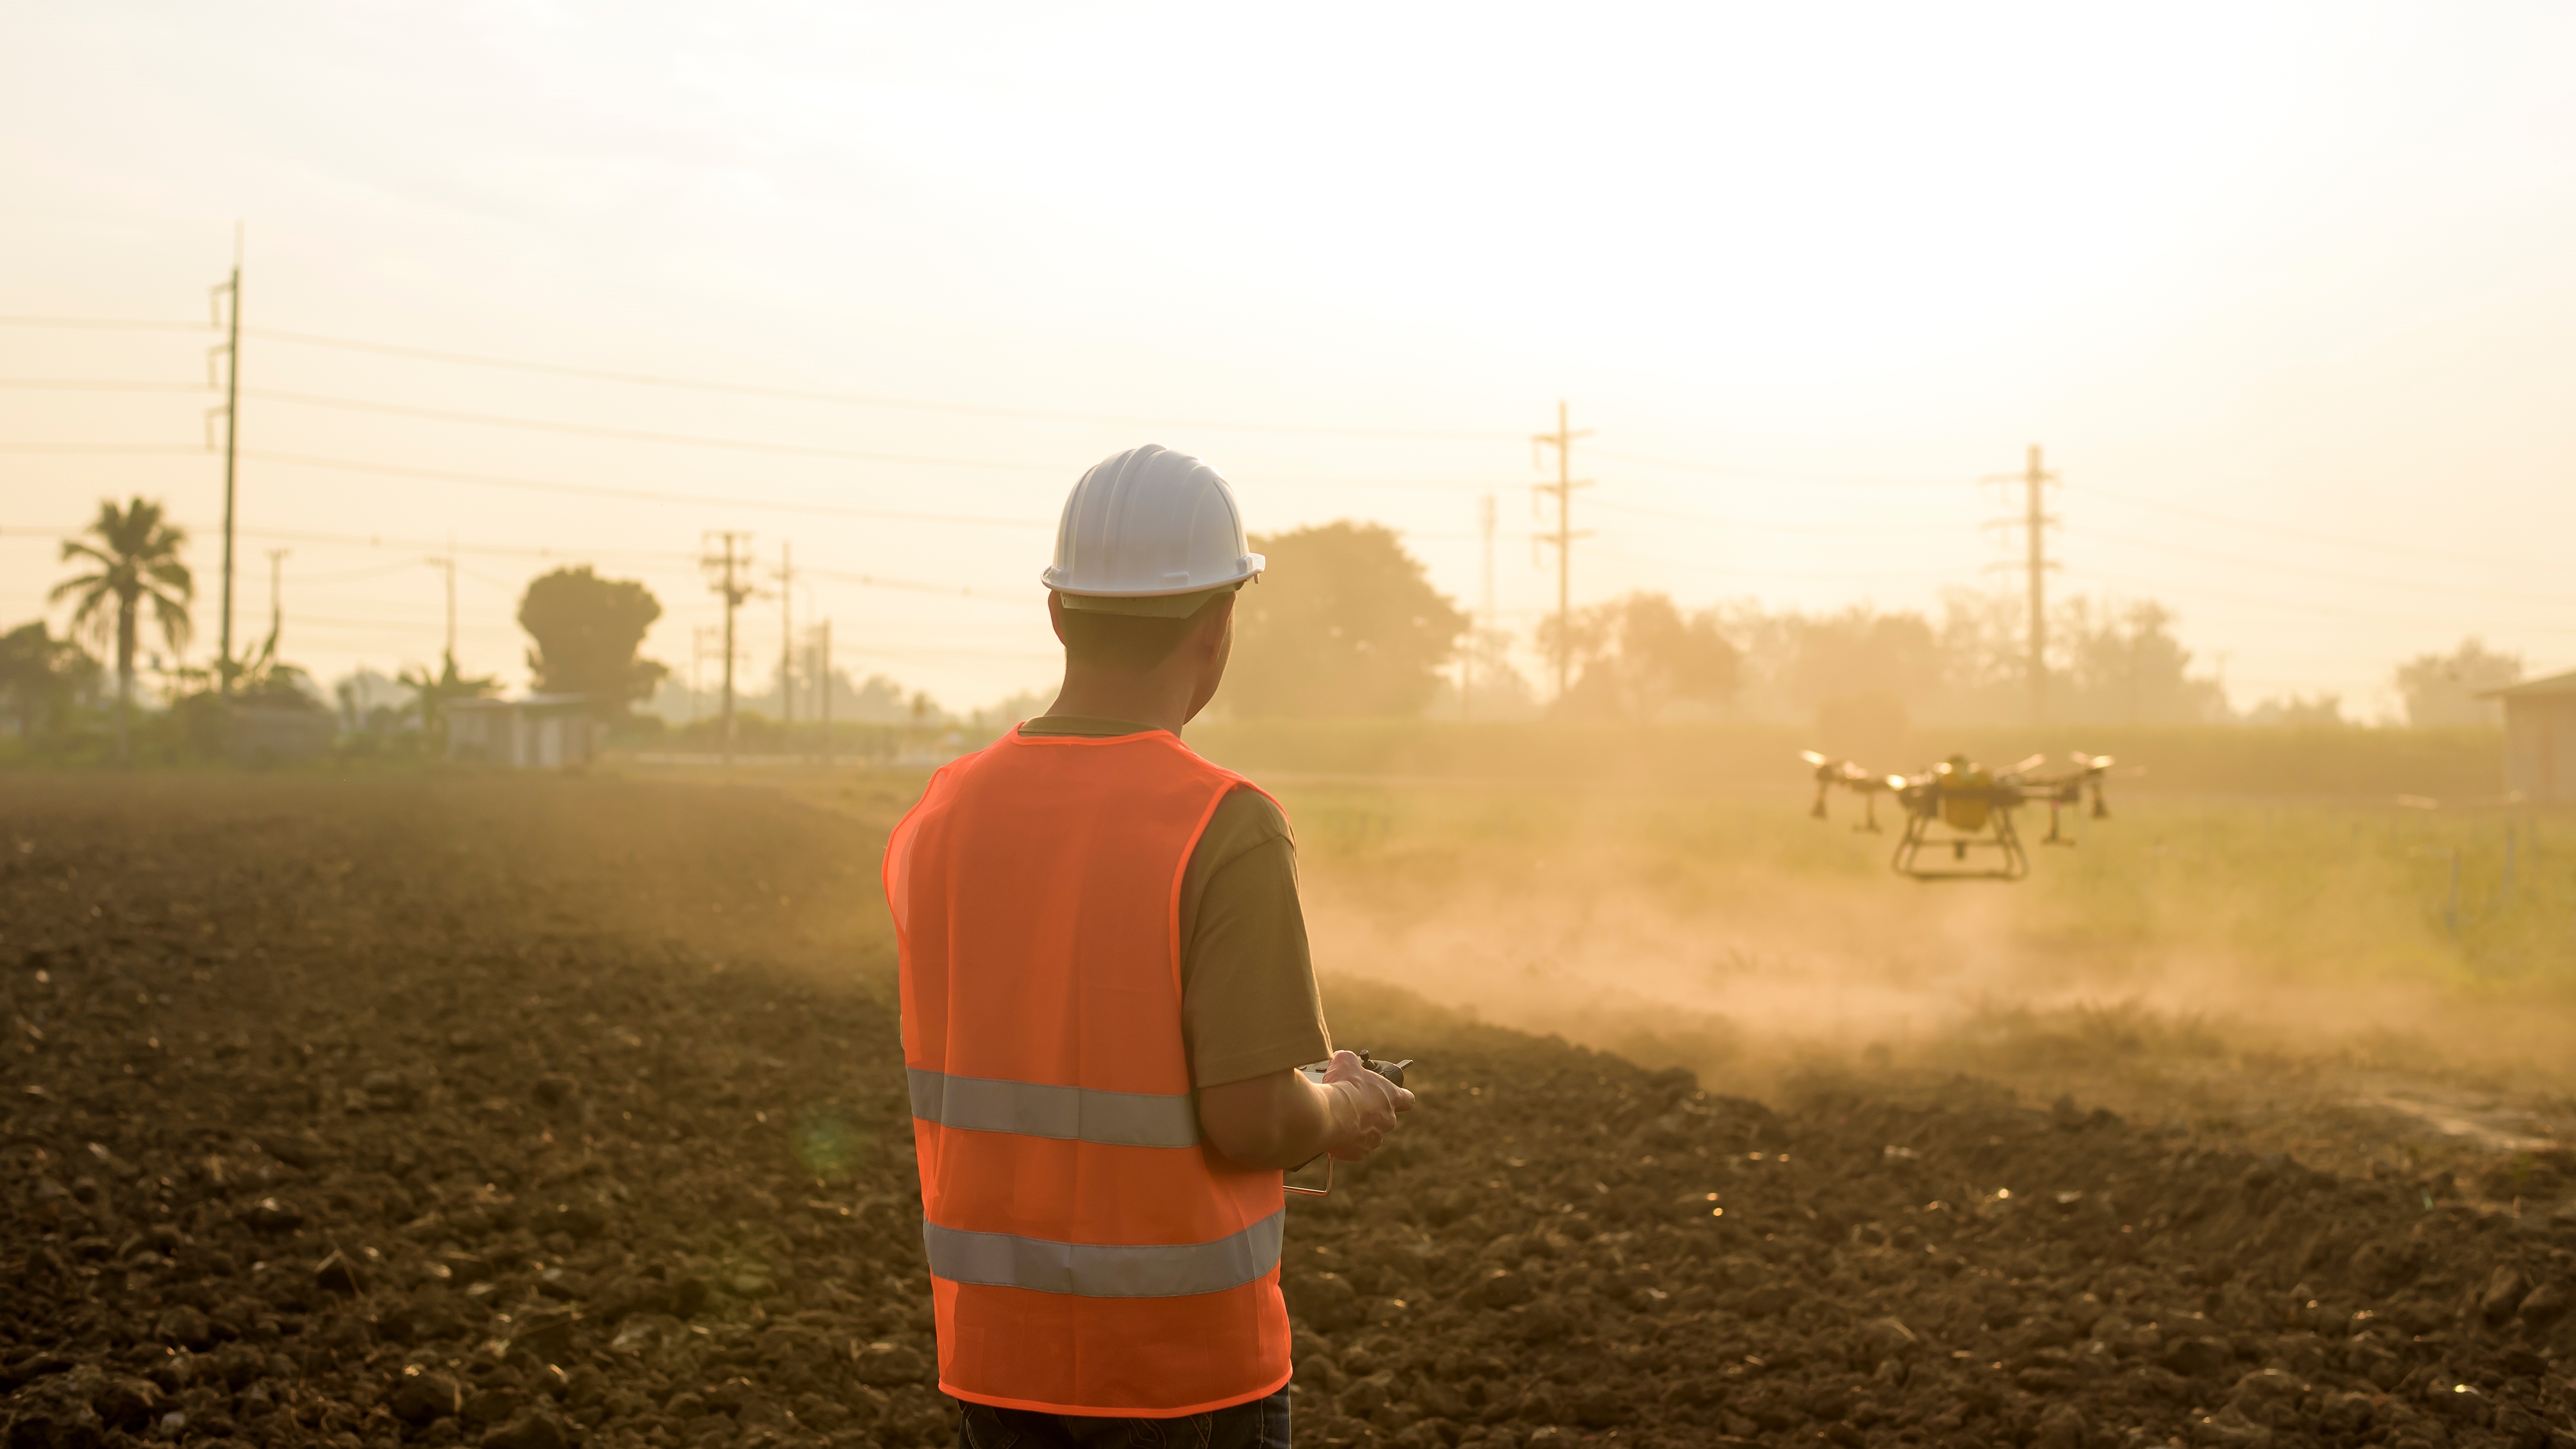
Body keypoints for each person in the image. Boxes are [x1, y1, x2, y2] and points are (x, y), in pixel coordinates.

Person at [882, 444, 1416, 1449]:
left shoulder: (938, 815)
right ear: (1218, 625)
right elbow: (1254, 1117)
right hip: (1186, 1379)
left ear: (1057, 612)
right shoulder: (1226, 825)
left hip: (997, 1367)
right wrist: (1343, 1103)